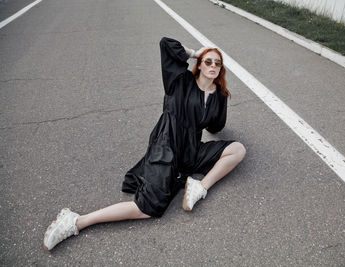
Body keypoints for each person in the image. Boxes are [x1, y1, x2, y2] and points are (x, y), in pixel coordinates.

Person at [43, 37, 246, 251]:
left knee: (238, 149)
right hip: (166, 146)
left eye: (217, 63)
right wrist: (196, 52)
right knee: (150, 208)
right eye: (208, 61)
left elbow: (215, 127)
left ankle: (200, 187)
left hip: (191, 151)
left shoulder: (220, 95)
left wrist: (217, 102)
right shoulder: (179, 81)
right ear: (200, 65)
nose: (213, 66)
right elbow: (167, 44)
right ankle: (76, 221)